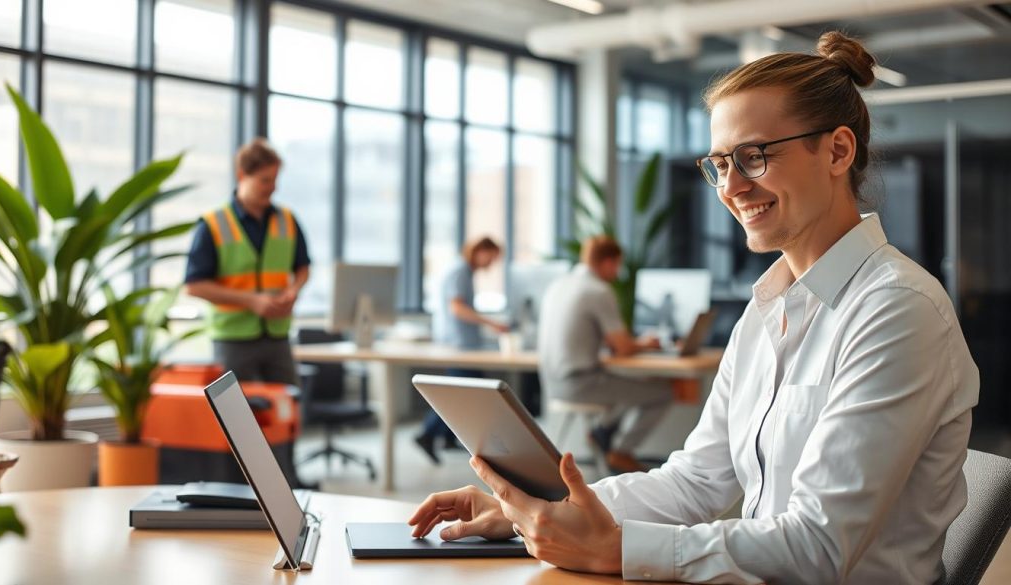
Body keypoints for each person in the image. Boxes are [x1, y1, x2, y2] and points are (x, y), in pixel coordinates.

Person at [407, 32, 979, 584]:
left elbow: (818, 547)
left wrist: (619, 549)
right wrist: (531, 509)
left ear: (837, 150)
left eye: (754, 157)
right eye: (719, 164)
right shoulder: (765, 313)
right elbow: (696, 481)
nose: (731, 187)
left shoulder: (897, 311)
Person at [538, 235, 672, 473]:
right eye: (617, 266)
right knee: (662, 392)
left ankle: (602, 431)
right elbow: (624, 348)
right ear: (609, 262)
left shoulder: (558, 285)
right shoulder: (598, 291)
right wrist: (647, 344)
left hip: (551, 384)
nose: (617, 273)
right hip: (582, 383)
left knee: (627, 387)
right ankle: (620, 451)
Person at [185, 138, 310, 386]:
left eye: (275, 179)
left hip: (277, 335)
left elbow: (303, 267)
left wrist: (293, 291)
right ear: (242, 175)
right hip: (233, 339)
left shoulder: (287, 219)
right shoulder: (213, 223)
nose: (273, 187)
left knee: (286, 410)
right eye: (265, 180)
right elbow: (194, 286)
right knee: (234, 416)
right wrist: (252, 301)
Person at [414, 237, 509, 465]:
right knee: (466, 392)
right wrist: (490, 323)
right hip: (457, 343)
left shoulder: (465, 271)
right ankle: (427, 433)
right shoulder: (460, 271)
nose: (492, 263)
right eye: (492, 257)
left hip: (462, 342)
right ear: (480, 251)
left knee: (464, 389)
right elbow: (456, 307)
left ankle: (447, 437)